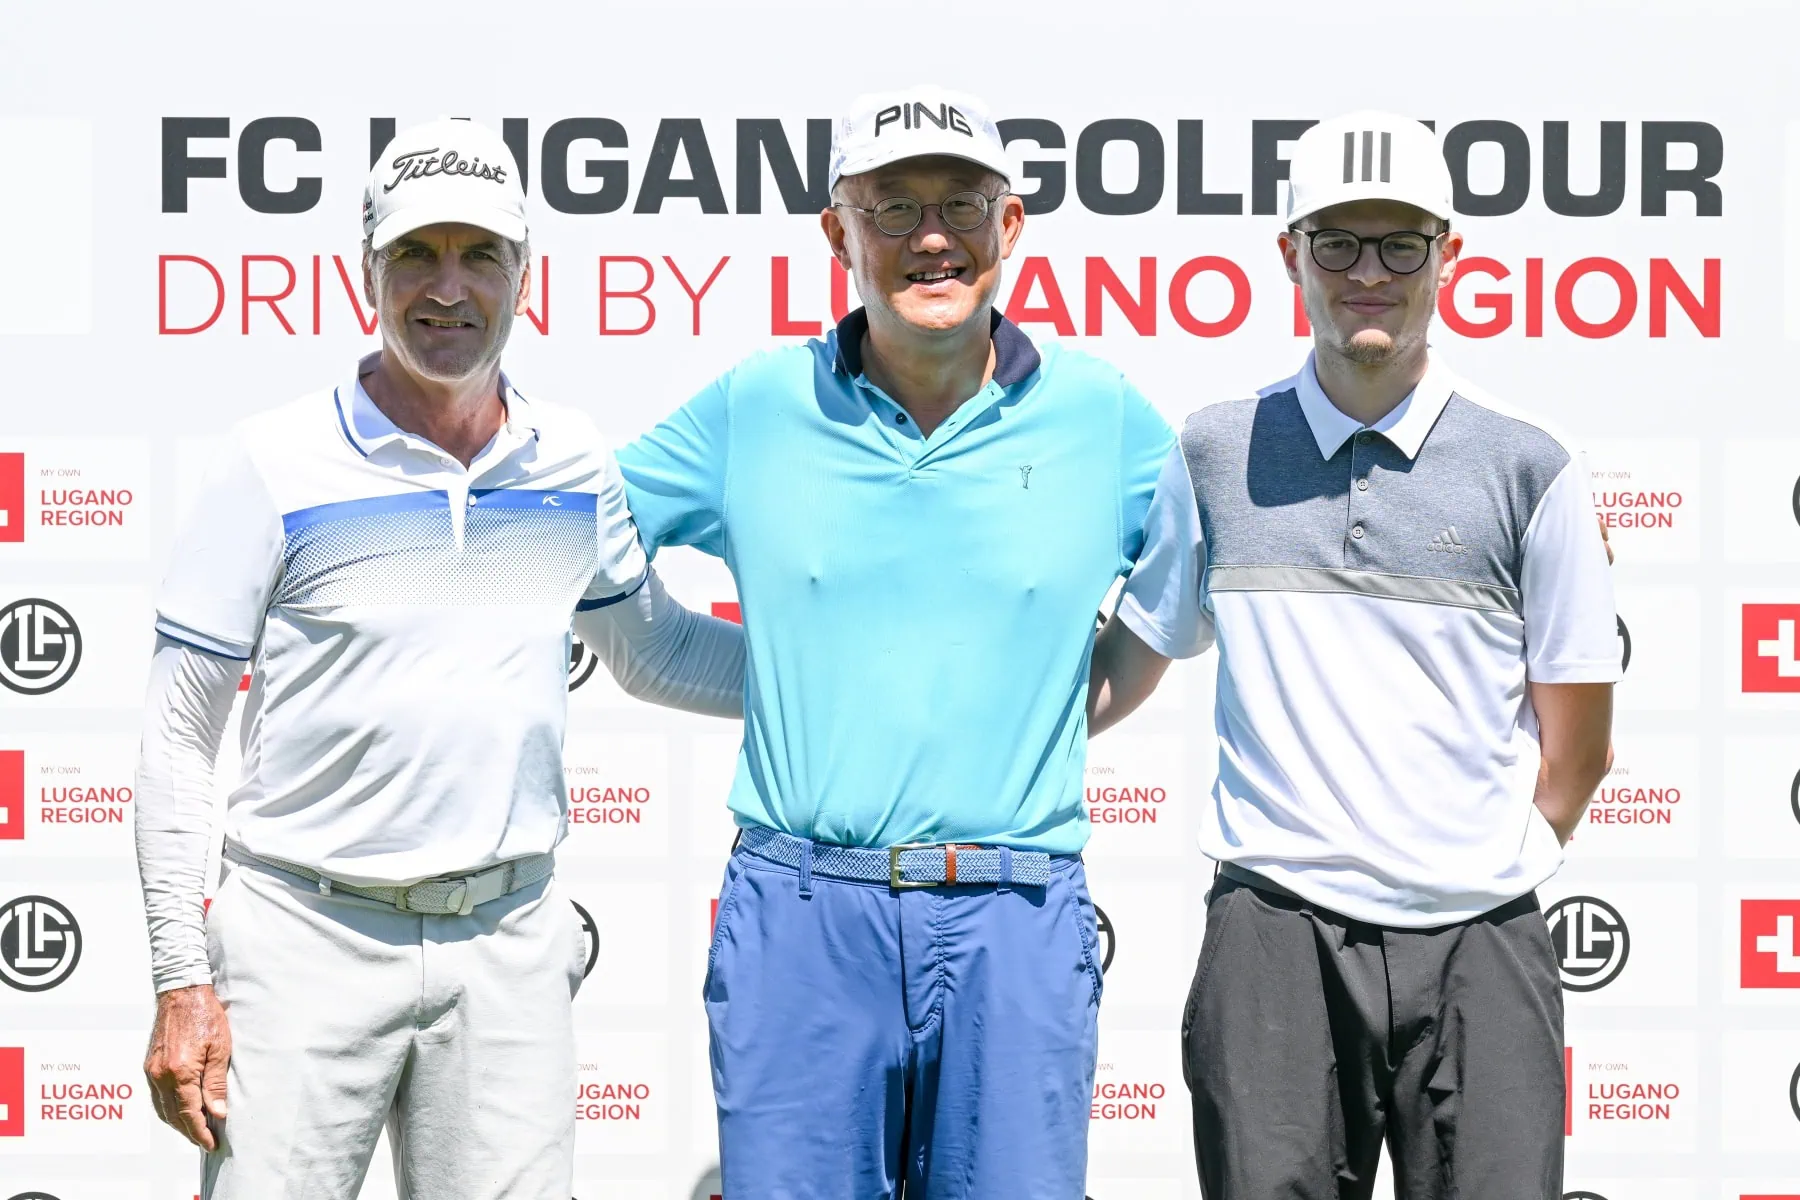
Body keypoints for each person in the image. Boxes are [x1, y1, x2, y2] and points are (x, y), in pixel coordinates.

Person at [133, 118, 744, 1200]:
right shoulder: (274, 461)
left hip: (507, 947)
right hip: (302, 938)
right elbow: (180, 736)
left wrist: (846, 674)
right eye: (415, 252)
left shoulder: (570, 460)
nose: (448, 288)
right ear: (363, 271)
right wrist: (183, 979)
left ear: (525, 274)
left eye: (480, 255)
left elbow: (655, 651)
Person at [615, 85, 1173, 1198]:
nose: (931, 239)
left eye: (962, 206)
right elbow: (582, 541)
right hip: (804, 911)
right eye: (893, 209)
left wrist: (1037, 708)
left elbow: (1180, 598)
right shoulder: (757, 405)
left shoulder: (1102, 415)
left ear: (1008, 227)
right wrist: (756, 680)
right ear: (839, 235)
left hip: (1015, 910)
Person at [1087, 110, 1619, 1199]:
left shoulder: (1534, 464)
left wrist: (1478, 863)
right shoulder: (1214, 450)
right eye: (1336, 243)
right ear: (1290, 255)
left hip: (1482, 941)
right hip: (1273, 932)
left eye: (1400, 244)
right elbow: (1127, 668)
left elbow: (1580, 747)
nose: (1368, 274)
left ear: (1447, 256)